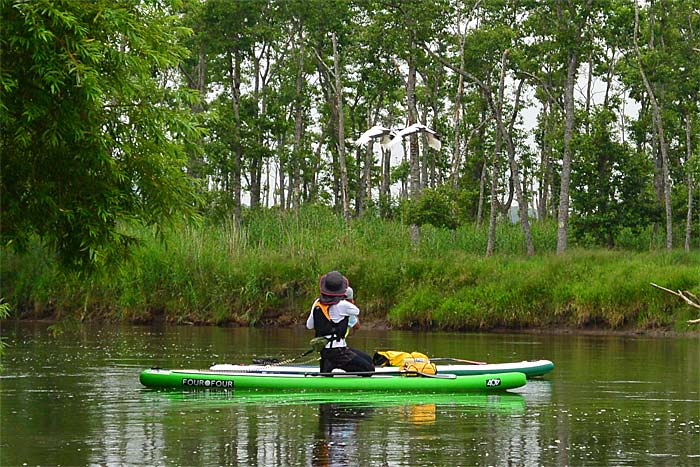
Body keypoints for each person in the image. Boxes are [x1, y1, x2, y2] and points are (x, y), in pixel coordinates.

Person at [306, 271, 375, 373]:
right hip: (338, 352)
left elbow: (309, 325)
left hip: (325, 351)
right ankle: (332, 364)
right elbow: (357, 311)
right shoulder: (343, 305)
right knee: (369, 369)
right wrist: (349, 301)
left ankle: (328, 364)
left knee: (368, 359)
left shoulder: (317, 303)